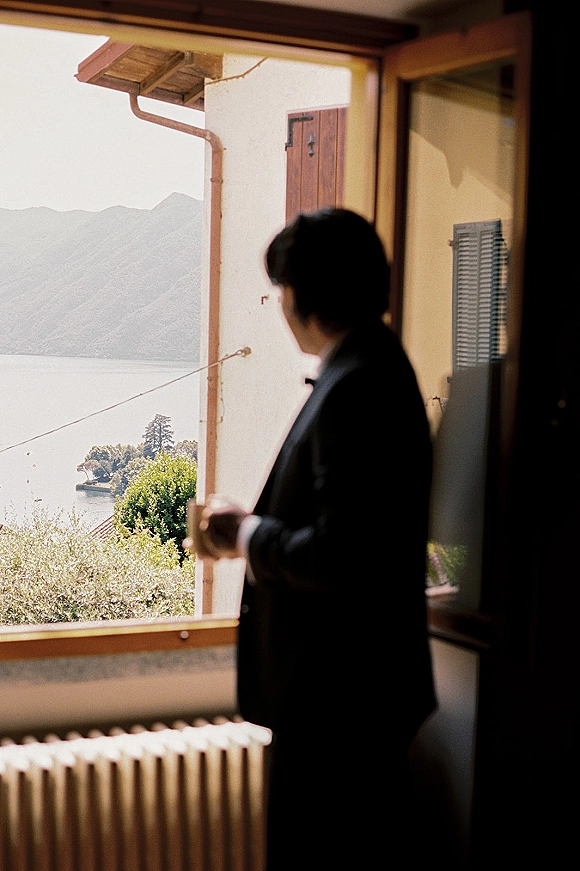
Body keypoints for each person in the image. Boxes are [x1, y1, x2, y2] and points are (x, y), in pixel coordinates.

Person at [192, 208, 437, 869]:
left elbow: (342, 555)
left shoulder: (358, 386)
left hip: (340, 705)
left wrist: (243, 532)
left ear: (299, 295)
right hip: (353, 697)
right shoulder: (369, 368)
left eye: (279, 292)